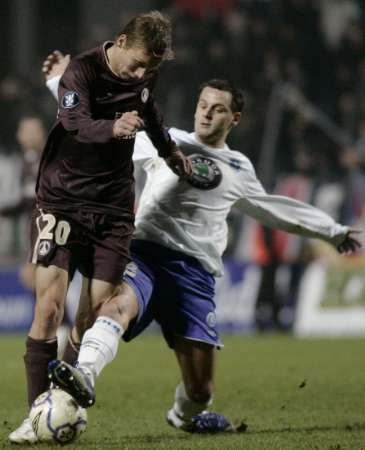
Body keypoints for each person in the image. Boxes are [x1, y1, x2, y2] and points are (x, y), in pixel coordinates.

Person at [42, 60, 361, 436]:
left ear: (235, 118)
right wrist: (58, 81)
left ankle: (185, 414)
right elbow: (101, 124)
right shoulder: (166, 139)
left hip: (194, 275)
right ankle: (84, 374)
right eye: (203, 104)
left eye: (218, 108)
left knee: (200, 390)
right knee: (118, 305)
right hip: (145, 252)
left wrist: (333, 231)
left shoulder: (238, 168)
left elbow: (275, 209)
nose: (207, 113)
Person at [9, 11, 192, 445]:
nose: (142, 73)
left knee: (91, 318)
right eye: (139, 63)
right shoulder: (82, 70)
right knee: (49, 308)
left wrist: (170, 153)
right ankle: (37, 415)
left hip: (112, 211)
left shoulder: (145, 75)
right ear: (121, 40)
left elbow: (150, 111)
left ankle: (62, 401)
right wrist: (113, 127)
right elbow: (75, 124)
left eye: (151, 67)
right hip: (63, 203)